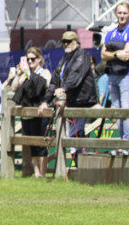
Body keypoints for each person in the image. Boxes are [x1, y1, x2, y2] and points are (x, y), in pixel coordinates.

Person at [39, 30, 97, 161]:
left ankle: (80, 164)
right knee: (72, 135)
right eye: (64, 42)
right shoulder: (64, 59)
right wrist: (45, 101)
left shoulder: (82, 56)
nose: (66, 44)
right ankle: (76, 164)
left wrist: (63, 88)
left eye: (69, 41)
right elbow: (54, 81)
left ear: (76, 42)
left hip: (82, 101)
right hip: (71, 101)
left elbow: (75, 77)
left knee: (76, 133)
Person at [101, 3, 129, 147]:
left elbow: (127, 55)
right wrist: (117, 52)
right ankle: (121, 142)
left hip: (127, 75)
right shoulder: (110, 33)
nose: (122, 16)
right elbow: (103, 55)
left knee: (126, 109)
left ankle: (127, 143)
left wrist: (112, 52)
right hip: (112, 74)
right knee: (116, 111)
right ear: (116, 14)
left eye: (125, 13)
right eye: (120, 13)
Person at [12, 48, 51, 178]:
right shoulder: (25, 74)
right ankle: (37, 172)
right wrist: (18, 74)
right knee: (31, 143)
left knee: (42, 142)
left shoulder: (45, 73)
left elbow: (43, 85)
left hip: (40, 112)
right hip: (27, 112)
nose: (30, 61)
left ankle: (43, 172)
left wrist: (29, 74)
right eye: (28, 59)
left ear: (39, 59)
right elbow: (14, 88)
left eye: (32, 59)